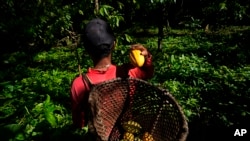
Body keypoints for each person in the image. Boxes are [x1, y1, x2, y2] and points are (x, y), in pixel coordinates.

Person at [70, 18, 154, 129]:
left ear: (86, 49)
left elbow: (79, 123)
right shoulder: (129, 73)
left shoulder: (80, 84)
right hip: (127, 133)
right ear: (114, 44)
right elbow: (148, 72)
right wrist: (145, 56)